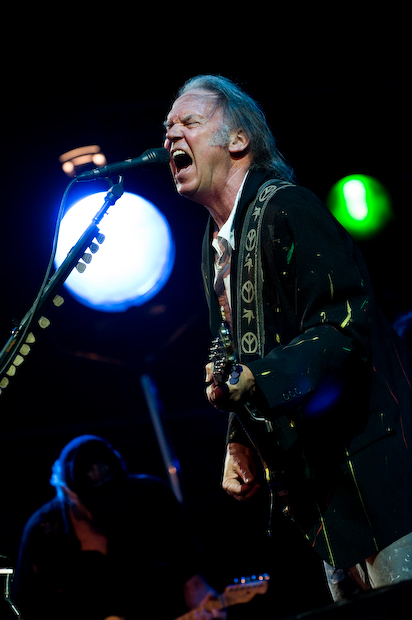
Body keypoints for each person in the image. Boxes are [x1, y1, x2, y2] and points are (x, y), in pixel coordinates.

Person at [163, 75, 412, 603]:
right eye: (167, 128)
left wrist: (257, 379)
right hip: (324, 499)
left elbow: (342, 326)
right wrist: (239, 438)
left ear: (237, 141)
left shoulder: (288, 208)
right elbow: (242, 352)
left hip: (376, 477)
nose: (170, 136)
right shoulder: (214, 246)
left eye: (189, 122)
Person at [12, 435, 226, 620]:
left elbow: (192, 581)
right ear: (67, 493)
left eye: (114, 494)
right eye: (94, 501)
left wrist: (207, 606)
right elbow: (28, 609)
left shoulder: (154, 499)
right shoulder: (43, 532)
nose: (108, 508)